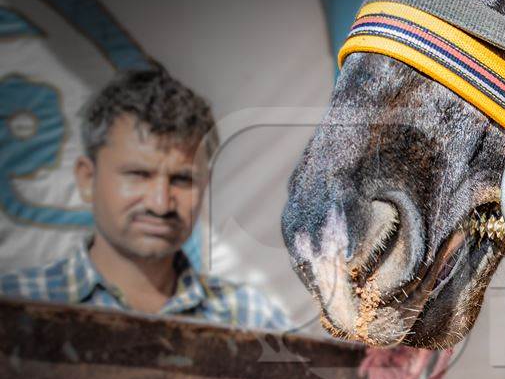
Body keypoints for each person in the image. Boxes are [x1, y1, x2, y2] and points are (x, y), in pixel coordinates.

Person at [0, 67, 289, 330]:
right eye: (138, 174)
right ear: (87, 178)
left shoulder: (253, 321)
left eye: (181, 180)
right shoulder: (17, 308)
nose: (160, 203)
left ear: (205, 186)